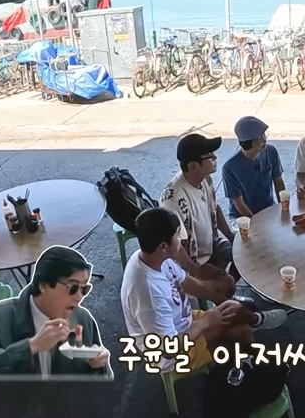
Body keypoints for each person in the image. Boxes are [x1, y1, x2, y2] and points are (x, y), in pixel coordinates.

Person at [121, 207, 287, 371]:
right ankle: (258, 369)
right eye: (177, 235)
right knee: (242, 331)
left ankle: (255, 340)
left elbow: (187, 282)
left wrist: (219, 299)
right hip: (173, 355)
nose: (181, 238)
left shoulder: (154, 257)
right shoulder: (147, 294)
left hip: (183, 321)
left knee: (234, 308)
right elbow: (169, 349)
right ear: (163, 246)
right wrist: (207, 321)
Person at [0, 246, 113, 380]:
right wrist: (31, 347)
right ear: (43, 285)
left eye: (84, 289)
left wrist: (99, 366)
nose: (79, 297)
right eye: (73, 288)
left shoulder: (83, 320)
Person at [160, 132, 251, 305]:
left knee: (246, 252)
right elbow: (173, 245)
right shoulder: (172, 198)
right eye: (210, 155)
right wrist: (195, 270)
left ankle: (224, 297)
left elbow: (214, 208)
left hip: (211, 246)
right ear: (193, 166)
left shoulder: (205, 179)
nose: (215, 158)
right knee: (227, 283)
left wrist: (232, 237)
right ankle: (223, 303)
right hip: (189, 262)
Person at [222, 116, 286, 226]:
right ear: (248, 142)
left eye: (264, 134)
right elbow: (239, 204)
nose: (264, 139)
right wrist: (257, 223)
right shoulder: (230, 168)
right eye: (260, 137)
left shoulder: (271, 152)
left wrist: (284, 208)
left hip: (268, 209)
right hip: (242, 218)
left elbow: (279, 182)